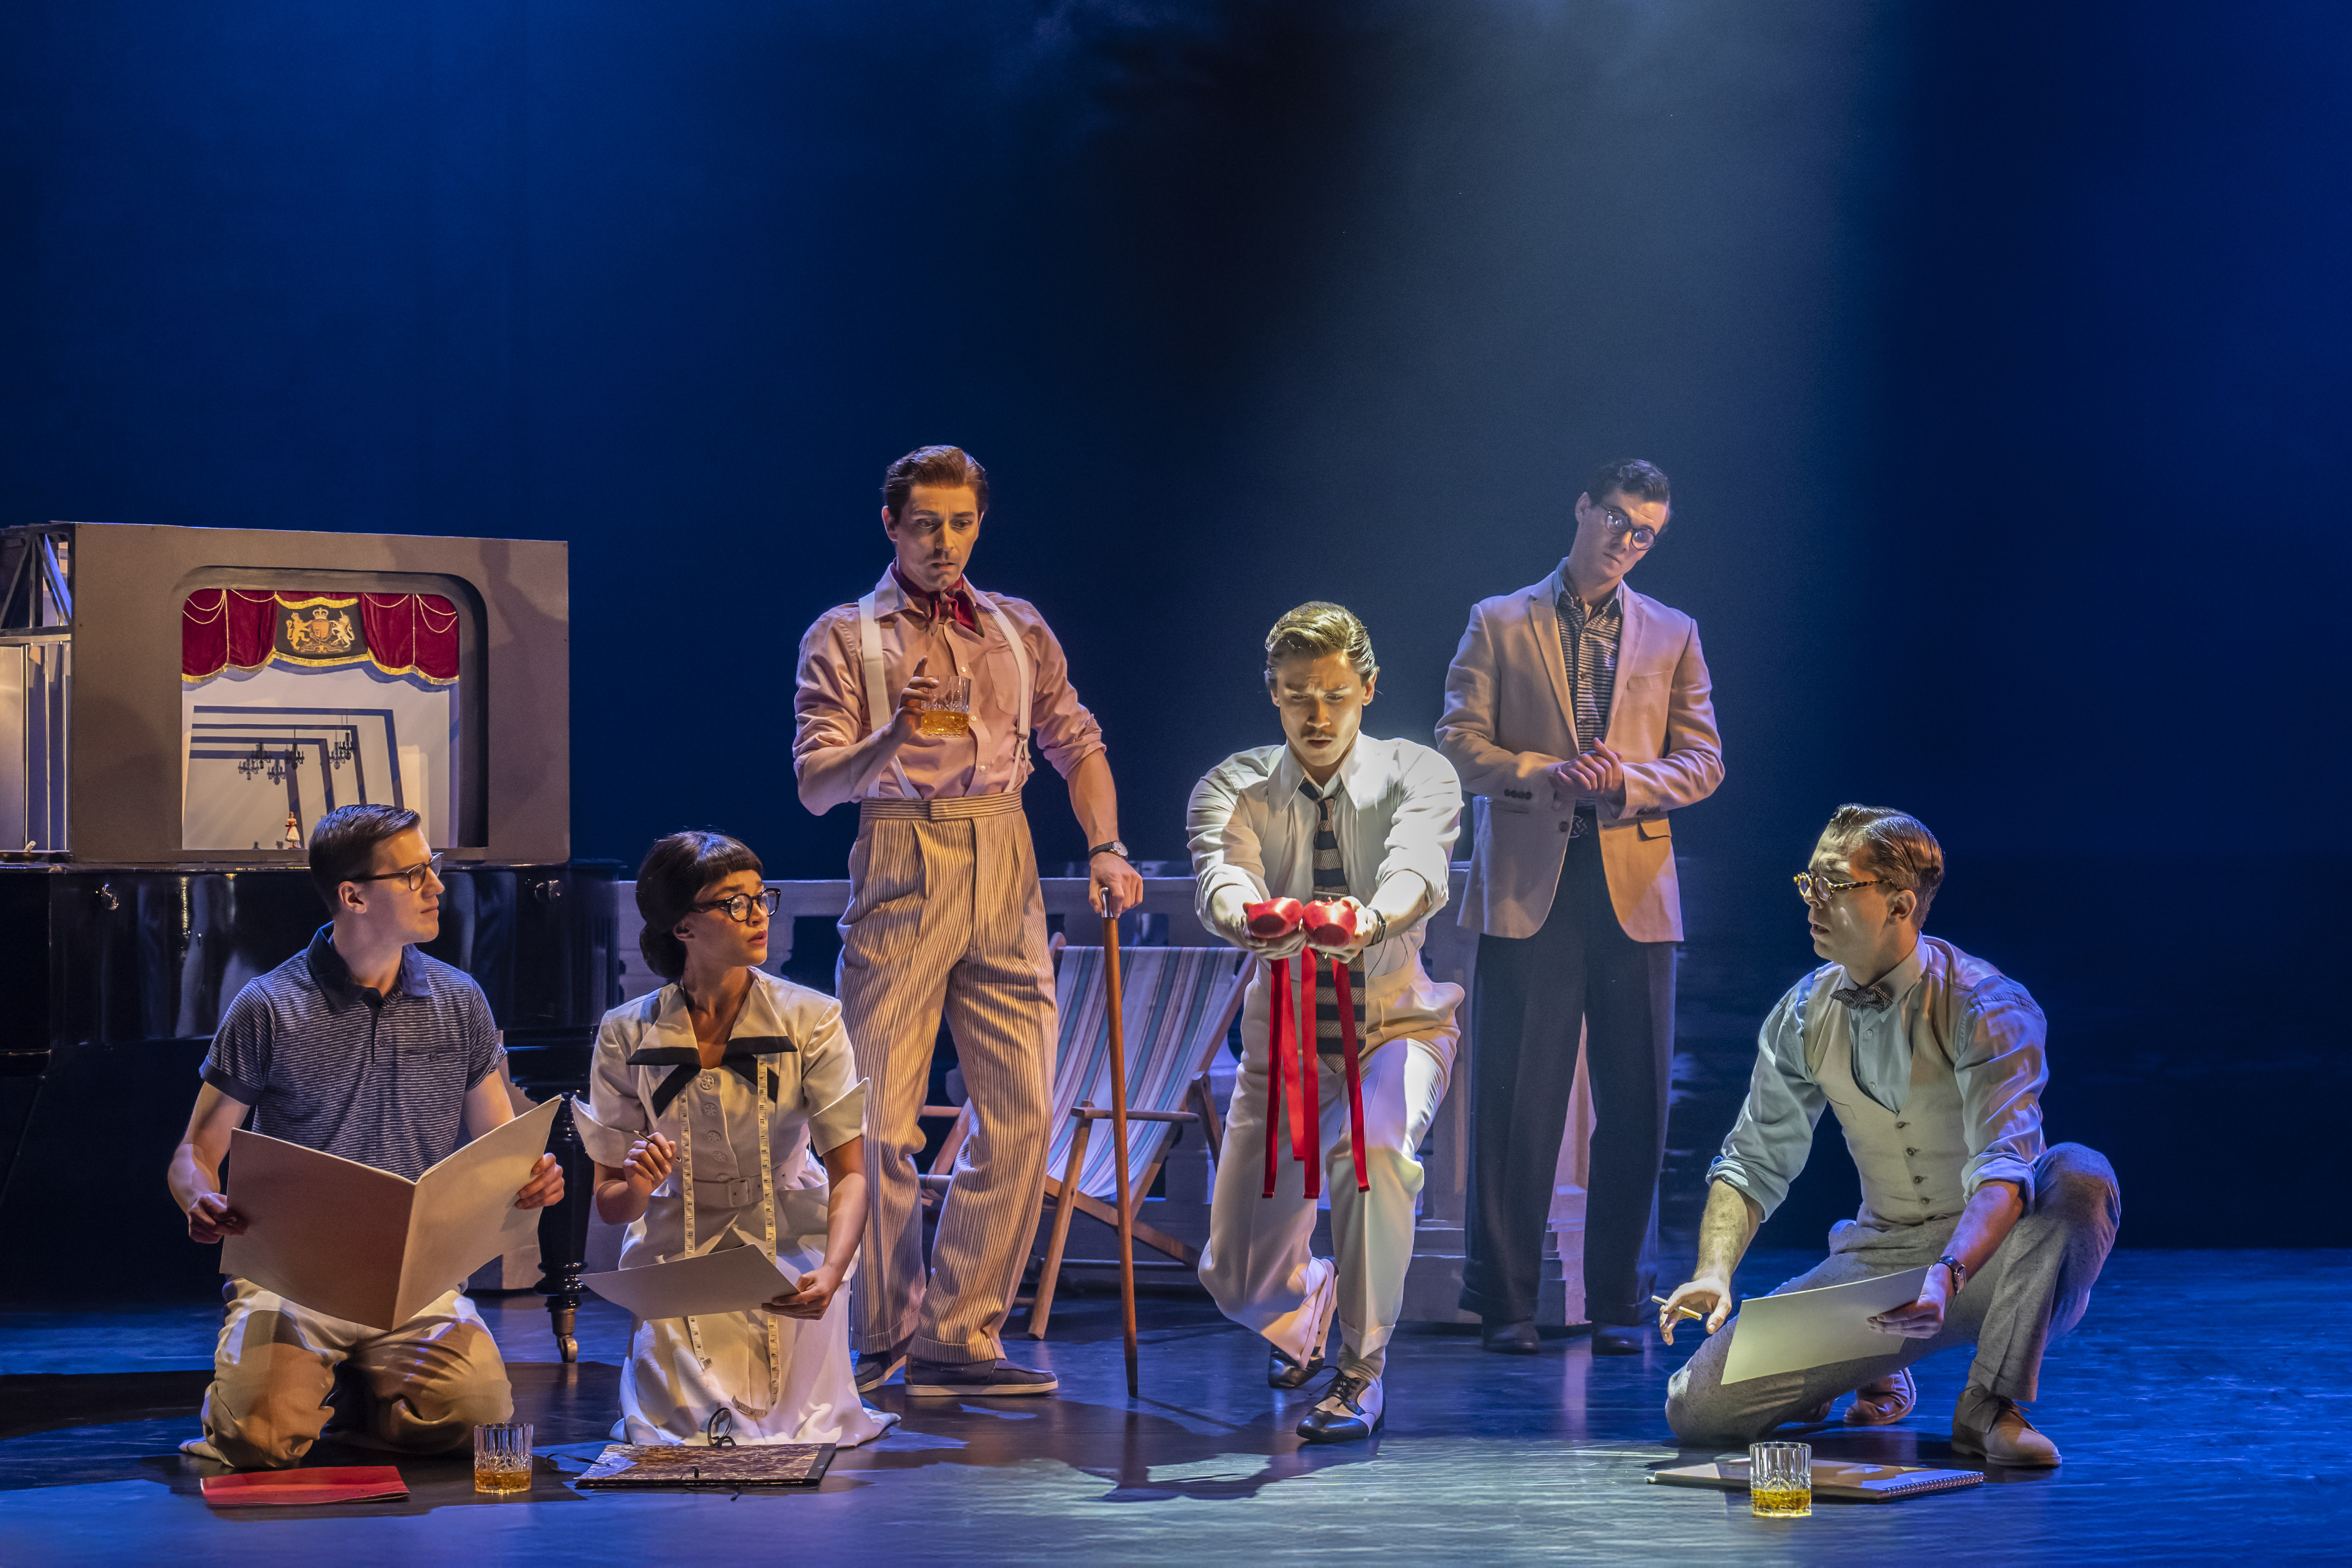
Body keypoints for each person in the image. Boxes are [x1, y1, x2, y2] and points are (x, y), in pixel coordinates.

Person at [793, 444, 1143, 1397]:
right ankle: (881, 1331)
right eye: (924, 524)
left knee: (1024, 1108)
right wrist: (894, 734)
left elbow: (1079, 743)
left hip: (1006, 854)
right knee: (878, 1117)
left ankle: (959, 1333)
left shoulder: (1015, 627)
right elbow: (816, 786)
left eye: (960, 522)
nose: (944, 542)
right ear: (889, 526)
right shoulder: (844, 635)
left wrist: (1106, 846)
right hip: (903, 846)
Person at [1658, 806, 2119, 1466]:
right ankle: (1867, 1365)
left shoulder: (1986, 1005)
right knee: (1696, 1413)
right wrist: (1714, 1270)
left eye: (1833, 886)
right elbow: (1753, 1160)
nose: (1812, 901)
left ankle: (1990, 1407)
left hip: (1996, 1264)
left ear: (1900, 904)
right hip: (1881, 1266)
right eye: (1807, 883)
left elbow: (2003, 1169)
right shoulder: (1802, 1012)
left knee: (2079, 1174)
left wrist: (1947, 1273)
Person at [167, 804, 564, 1469]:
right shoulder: (269, 1005)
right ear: (353, 895)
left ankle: (349, 1395)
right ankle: (300, 1387)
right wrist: (198, 1198)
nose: (437, 887)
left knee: (478, 1421)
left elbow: (501, 1141)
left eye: (431, 869)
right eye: (414, 876)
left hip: (415, 1282)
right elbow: (195, 1152)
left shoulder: (460, 999)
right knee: (256, 1442)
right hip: (295, 1279)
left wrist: (531, 1176)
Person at [1436, 458, 1723, 1354]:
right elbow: (1456, 744)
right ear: (1582, 508)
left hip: (1632, 886)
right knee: (1518, 1098)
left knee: (1635, 1105)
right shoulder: (1499, 619)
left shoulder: (1671, 631)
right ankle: (1506, 1302)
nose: (1627, 542)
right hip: (1532, 880)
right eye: (1616, 520)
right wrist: (1543, 772)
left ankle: (1616, 1303)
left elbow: (1704, 760)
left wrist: (1629, 781)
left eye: (1644, 533)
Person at [1189, 602, 1465, 1443]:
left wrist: (1368, 921)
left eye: (1335, 695)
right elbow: (1218, 877)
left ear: (1367, 691)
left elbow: (1417, 863)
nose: (1317, 714)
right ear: (1271, 694)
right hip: (1285, 1048)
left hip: (1396, 1024)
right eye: (1297, 694)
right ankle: (1312, 1307)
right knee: (1236, 1277)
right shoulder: (1233, 782)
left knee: (1375, 1150)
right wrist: (1253, 918)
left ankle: (1359, 1368)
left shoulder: (1419, 771)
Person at [578, 831, 894, 1447]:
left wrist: (832, 1271)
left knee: (793, 1426)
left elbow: (851, 1171)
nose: (757, 916)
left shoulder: (812, 1019)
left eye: (760, 898)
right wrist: (639, 1184)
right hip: (677, 1254)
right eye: (734, 902)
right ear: (683, 927)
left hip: (791, 1246)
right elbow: (612, 1202)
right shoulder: (625, 1033)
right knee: (681, 1431)